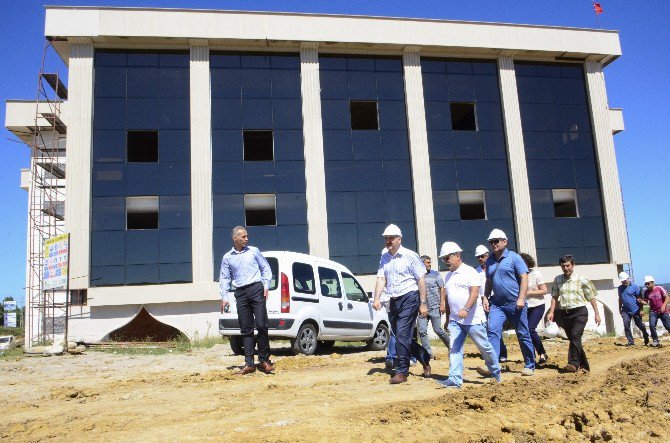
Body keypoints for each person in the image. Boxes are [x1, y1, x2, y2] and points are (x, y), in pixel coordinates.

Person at [372, 224, 431, 384]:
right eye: (386, 238)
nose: (388, 241)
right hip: (393, 299)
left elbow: (421, 279)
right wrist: (376, 298)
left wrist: (423, 303)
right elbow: (381, 278)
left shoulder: (410, 256)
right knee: (401, 336)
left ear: (399, 239)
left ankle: (402, 371)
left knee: (402, 335)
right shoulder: (384, 256)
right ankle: (424, 358)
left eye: (391, 238)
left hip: (410, 297)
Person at [437, 242, 501, 388]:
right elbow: (448, 299)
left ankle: (496, 371)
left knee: (484, 347)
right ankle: (454, 379)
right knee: (454, 348)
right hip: (455, 320)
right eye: (443, 259)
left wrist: (466, 309)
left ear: (457, 256)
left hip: (473, 320)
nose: (446, 261)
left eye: (447, 257)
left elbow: (474, 292)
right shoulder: (448, 276)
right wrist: (447, 319)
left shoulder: (470, 272)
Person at [220, 226, 274, 375]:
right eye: (243, 237)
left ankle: (264, 360)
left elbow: (266, 269)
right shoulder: (227, 257)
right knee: (246, 329)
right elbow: (224, 278)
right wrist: (224, 297)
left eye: (247, 236)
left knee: (262, 325)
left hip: (256, 289)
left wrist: (266, 286)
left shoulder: (254, 251)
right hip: (240, 293)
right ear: (235, 238)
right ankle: (249, 363)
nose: (246, 239)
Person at [483, 229, 536, 376]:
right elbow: (488, 281)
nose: (493, 244)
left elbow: (524, 278)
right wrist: (485, 297)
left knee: (523, 333)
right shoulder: (490, 260)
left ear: (504, 242)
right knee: (493, 330)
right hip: (497, 304)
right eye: (491, 242)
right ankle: (493, 366)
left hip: (515, 303)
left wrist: (521, 298)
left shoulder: (514, 258)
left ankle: (530, 365)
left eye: (496, 241)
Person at [546, 255, 601, 373]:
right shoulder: (558, 279)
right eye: (563, 266)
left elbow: (591, 297)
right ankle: (584, 365)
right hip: (565, 313)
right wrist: (551, 311)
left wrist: (597, 313)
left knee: (576, 336)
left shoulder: (582, 279)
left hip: (579, 312)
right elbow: (554, 297)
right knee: (573, 339)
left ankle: (573, 363)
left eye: (568, 265)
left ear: (573, 265)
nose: (566, 268)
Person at [475, 244, 508, 363]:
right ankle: (493, 352)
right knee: (488, 329)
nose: (480, 259)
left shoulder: (495, 266)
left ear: (487, 255)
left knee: (495, 328)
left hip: (495, 301)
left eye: (482, 256)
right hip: (482, 302)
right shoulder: (476, 272)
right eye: (478, 257)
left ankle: (502, 352)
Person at [417, 255, 450, 357]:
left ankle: (452, 346)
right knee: (422, 331)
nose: (430, 265)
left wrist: (442, 304)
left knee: (438, 330)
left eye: (430, 263)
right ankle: (428, 353)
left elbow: (442, 289)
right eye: (428, 263)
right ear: (422, 264)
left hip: (435, 307)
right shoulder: (417, 276)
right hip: (422, 309)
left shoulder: (435, 274)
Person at [520, 253, 549, 365]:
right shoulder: (518, 275)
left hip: (537, 305)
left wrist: (529, 293)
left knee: (530, 329)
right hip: (524, 306)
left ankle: (542, 352)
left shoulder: (535, 274)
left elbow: (544, 290)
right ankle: (530, 356)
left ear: (527, 263)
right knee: (524, 332)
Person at [617, 272, 650, 346]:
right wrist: (619, 309)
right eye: (622, 281)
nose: (623, 282)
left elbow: (640, 299)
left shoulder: (635, 287)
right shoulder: (620, 288)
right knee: (626, 325)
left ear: (627, 279)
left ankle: (645, 334)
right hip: (625, 311)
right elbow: (620, 299)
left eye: (624, 281)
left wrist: (641, 310)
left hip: (636, 310)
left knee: (639, 324)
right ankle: (631, 342)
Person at [642, 275, 670, 347]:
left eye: (648, 283)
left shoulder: (659, 288)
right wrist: (641, 302)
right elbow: (646, 302)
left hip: (663, 311)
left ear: (653, 282)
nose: (647, 285)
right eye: (646, 284)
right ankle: (655, 340)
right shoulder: (646, 292)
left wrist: (663, 306)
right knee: (652, 325)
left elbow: (667, 297)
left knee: (668, 326)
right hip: (653, 311)